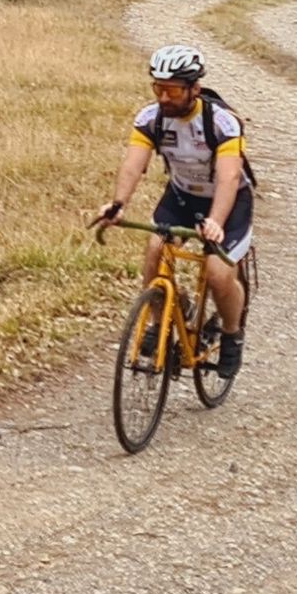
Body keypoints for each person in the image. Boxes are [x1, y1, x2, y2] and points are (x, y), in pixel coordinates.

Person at [91, 43, 251, 378]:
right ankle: (160, 320)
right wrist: (118, 204)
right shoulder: (150, 119)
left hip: (228, 202)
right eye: (158, 88)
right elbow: (134, 165)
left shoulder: (222, 123)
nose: (164, 98)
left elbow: (229, 176)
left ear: (194, 89)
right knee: (154, 251)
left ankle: (232, 334)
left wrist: (217, 222)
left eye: (173, 90)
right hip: (181, 197)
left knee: (219, 273)